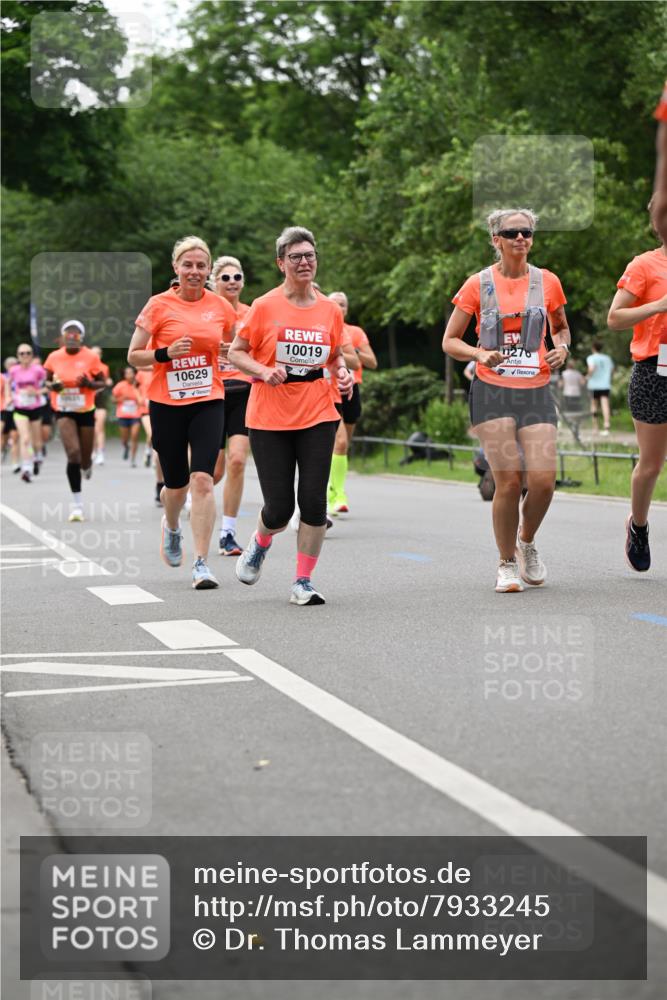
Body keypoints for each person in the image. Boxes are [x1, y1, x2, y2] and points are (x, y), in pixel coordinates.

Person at [443, 208, 570, 592]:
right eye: (511, 232)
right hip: (492, 389)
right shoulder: (477, 284)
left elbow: (561, 328)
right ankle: (506, 563)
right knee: (510, 480)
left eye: (526, 232)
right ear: (496, 239)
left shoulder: (547, 281)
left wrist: (562, 349)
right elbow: (450, 340)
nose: (520, 238)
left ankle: (526, 540)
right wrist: (479, 354)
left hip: (535, 388)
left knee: (544, 480)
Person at [227, 226, 354, 606]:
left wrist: (343, 372)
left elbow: (334, 355)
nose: (304, 262)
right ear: (281, 263)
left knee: (313, 503)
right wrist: (262, 371)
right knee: (280, 508)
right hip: (269, 414)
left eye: (310, 255)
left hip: (318, 409)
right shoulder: (264, 306)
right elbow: (236, 351)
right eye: (296, 257)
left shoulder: (329, 310)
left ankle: (303, 581)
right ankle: (261, 540)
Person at [127, 235, 237, 589]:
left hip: (208, 399)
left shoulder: (220, 306)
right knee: (175, 486)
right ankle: (172, 526)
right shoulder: (158, 305)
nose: (194, 271)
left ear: (208, 270)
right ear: (176, 267)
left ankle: (202, 563)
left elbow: (236, 346)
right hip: (166, 403)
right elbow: (134, 355)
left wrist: (227, 352)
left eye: (201, 266)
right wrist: (165, 354)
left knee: (202, 479)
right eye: (187, 265)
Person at [607, 200, 667, 572]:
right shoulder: (644, 265)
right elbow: (614, 318)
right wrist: (658, 305)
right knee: (651, 464)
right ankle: (639, 526)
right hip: (655, 371)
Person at [209, 255, 252, 556]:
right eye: (225, 278)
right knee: (212, 472)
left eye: (237, 277)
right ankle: (180, 496)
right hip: (212, 393)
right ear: (215, 282)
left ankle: (228, 533)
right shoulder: (204, 312)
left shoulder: (252, 313)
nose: (232, 282)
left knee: (237, 461)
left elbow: (264, 347)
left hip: (244, 392)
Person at [43, 321, 106, 521]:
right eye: (68, 334)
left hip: (85, 409)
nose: (72, 337)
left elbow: (102, 381)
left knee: (85, 459)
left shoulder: (91, 356)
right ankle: (77, 506)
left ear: (81, 337)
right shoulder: (54, 357)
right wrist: (53, 387)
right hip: (63, 409)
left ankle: (87, 466)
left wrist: (89, 384)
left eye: (76, 334)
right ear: (62, 337)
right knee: (73, 453)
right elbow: (47, 380)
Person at [326, 291, 377, 514]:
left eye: (343, 304)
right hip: (328, 389)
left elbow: (371, 362)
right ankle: (338, 494)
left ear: (347, 309)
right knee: (339, 443)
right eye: (335, 303)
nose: (339, 307)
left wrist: (350, 351)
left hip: (351, 389)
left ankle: (333, 488)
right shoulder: (322, 328)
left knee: (342, 446)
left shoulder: (355, 332)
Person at [7, 344, 46, 481]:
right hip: (20, 408)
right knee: (25, 438)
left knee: (37, 441)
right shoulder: (14, 370)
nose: (25, 356)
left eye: (28, 353)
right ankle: (27, 468)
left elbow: (49, 386)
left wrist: (37, 392)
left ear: (32, 355)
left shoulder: (38, 370)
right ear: (18, 356)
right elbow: (7, 382)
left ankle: (37, 456)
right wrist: (8, 396)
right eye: (22, 353)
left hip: (34, 407)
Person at [112, 366, 143, 467]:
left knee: (134, 436)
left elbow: (142, 400)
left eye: (131, 373)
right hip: (123, 415)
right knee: (124, 439)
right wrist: (121, 399)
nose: (130, 375)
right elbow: (113, 399)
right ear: (124, 375)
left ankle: (132, 459)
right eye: (127, 373)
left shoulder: (139, 385)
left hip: (135, 414)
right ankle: (126, 447)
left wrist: (136, 391)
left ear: (134, 374)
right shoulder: (120, 386)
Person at [585, 339, 614, 434]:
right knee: (605, 405)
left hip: (593, 385)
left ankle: (595, 427)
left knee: (594, 405)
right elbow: (612, 370)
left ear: (593, 348)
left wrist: (587, 377)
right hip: (605, 385)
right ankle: (607, 425)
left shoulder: (591, 358)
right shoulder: (607, 358)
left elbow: (592, 368)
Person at [91, 345, 112, 465]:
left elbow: (107, 381)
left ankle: (100, 453)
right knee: (91, 429)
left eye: (98, 353)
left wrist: (107, 382)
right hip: (89, 401)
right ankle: (93, 450)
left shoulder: (104, 368)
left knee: (100, 427)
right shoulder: (85, 367)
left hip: (100, 400)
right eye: (94, 353)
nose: (96, 356)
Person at [1, 356, 19, 471]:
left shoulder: (21, 376)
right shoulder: (3, 378)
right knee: (2, 438)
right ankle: (3, 451)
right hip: (4, 410)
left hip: (17, 409)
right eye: (10, 365)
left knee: (15, 437)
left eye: (14, 364)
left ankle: (15, 463)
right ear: (6, 366)